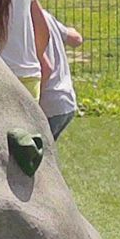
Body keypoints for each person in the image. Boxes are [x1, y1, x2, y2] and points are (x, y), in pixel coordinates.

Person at [39, 8, 85, 141]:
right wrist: (65, 30)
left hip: (48, 103)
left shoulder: (24, 19)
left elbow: (46, 69)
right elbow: (76, 39)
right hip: (66, 100)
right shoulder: (44, 15)